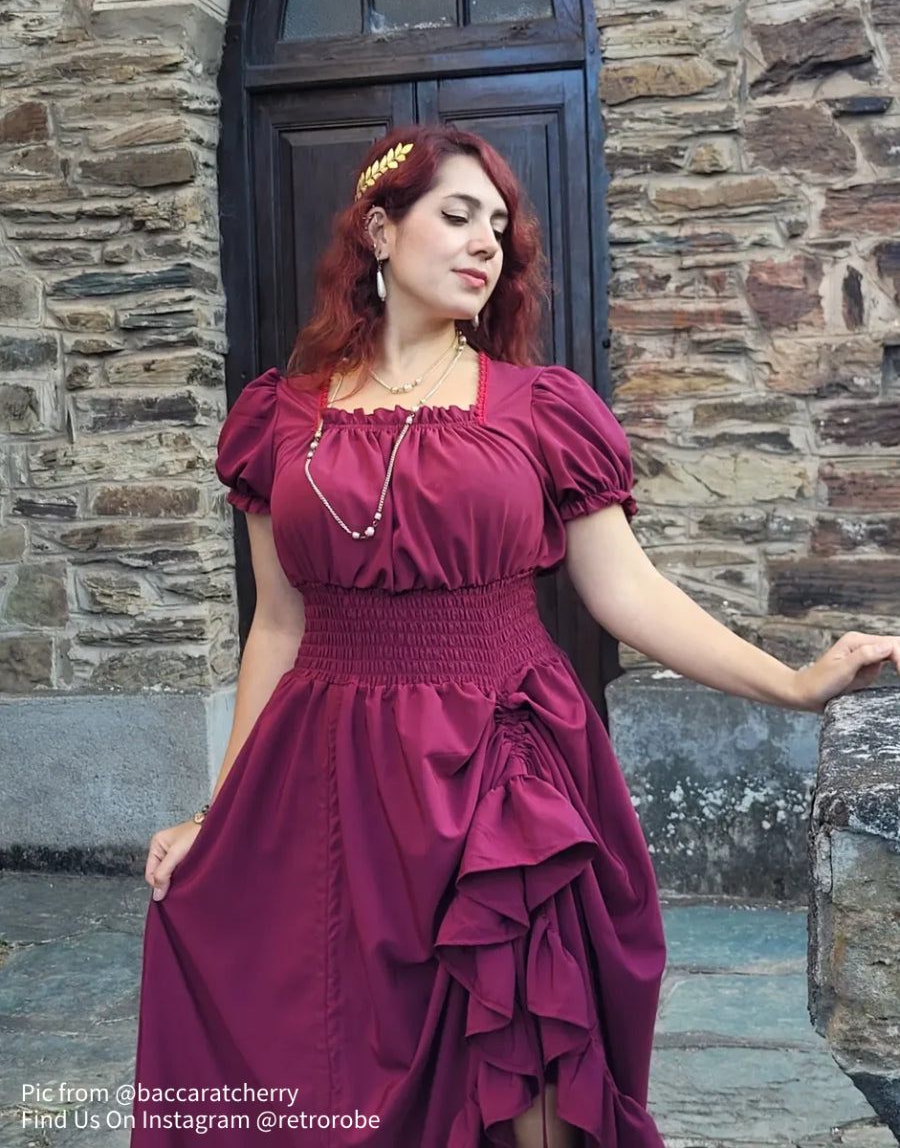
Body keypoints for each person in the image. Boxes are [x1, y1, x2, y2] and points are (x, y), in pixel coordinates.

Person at [130, 123, 900, 1148]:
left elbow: (626, 591)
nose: (484, 243)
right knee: (327, 1056)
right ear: (379, 231)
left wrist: (793, 683)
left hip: (504, 767)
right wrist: (216, 811)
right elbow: (277, 625)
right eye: (456, 216)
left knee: (527, 1057)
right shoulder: (280, 419)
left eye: (497, 226)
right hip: (329, 783)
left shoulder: (540, 410)